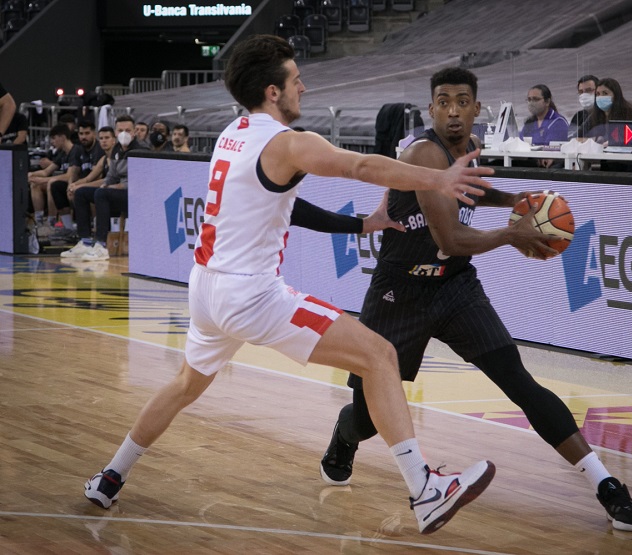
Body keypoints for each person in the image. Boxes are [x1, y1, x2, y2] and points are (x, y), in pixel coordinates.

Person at [83, 35, 497, 536]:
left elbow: (285, 206)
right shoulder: (290, 143)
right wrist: (438, 180)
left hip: (206, 289)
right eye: (295, 78)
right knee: (380, 355)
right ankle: (425, 489)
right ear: (273, 91)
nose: (304, 84)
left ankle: (111, 475)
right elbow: (361, 166)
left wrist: (360, 226)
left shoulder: (233, 134)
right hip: (250, 295)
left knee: (185, 385)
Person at [318, 66, 632, 532]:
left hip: (454, 287)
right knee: (369, 419)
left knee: (519, 381)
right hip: (400, 291)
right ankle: (344, 433)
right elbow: (451, 237)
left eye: (462, 101)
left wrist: (515, 198)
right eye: (443, 101)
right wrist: (511, 234)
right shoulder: (425, 154)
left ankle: (606, 484)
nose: (453, 110)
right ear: (431, 108)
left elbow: (473, 193)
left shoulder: (467, 150)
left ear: (476, 107)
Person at [62, 115, 148, 261]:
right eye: (120, 130)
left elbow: (140, 182)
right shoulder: (116, 150)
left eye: (128, 130)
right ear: (115, 132)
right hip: (117, 191)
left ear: (134, 132)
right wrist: (105, 184)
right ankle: (85, 241)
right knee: (81, 192)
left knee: (102, 194)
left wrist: (114, 187)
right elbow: (111, 175)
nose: (124, 133)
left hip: (135, 195)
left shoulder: (141, 151)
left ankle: (101, 245)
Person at [50, 120, 105, 241]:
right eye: (81, 134)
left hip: (98, 184)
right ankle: (69, 228)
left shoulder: (98, 149)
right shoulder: (79, 150)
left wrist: (78, 186)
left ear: (94, 134)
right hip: (85, 182)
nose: (84, 137)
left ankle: (95, 228)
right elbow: (74, 172)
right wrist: (71, 185)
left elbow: (97, 177)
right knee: (57, 186)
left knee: (88, 191)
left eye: (87, 133)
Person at [27, 124, 82, 235]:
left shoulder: (75, 150)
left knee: (51, 183)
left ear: (62, 137)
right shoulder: (62, 153)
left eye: (54, 138)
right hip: (65, 184)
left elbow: (69, 176)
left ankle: (51, 221)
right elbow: (45, 172)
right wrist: (30, 175)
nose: (52, 142)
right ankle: (39, 221)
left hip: (75, 183)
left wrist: (43, 180)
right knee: (35, 184)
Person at [568, 75, 599, 140]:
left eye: (589, 90)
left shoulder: (606, 115)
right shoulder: (578, 116)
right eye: (581, 92)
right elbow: (571, 138)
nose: (584, 95)